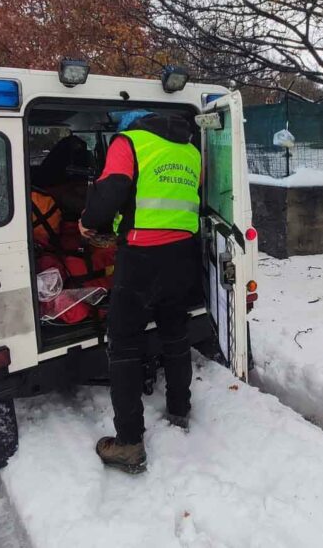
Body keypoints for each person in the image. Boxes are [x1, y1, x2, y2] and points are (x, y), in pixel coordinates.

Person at [79, 109, 203, 474]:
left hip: (141, 258)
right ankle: (180, 410)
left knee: (124, 346)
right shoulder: (189, 149)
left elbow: (112, 191)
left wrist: (88, 222)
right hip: (182, 254)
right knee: (175, 336)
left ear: (127, 126)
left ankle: (129, 443)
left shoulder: (128, 142)